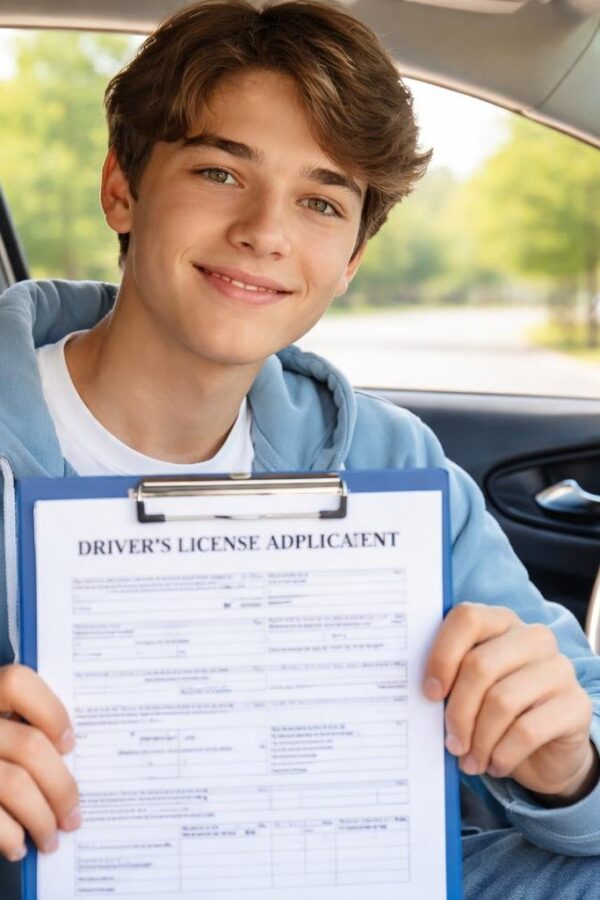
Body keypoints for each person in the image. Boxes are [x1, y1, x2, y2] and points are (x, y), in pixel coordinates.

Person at [0, 1, 599, 897]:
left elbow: (581, 754)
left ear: (352, 257)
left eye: (322, 201)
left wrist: (568, 766)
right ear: (122, 186)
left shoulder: (387, 459)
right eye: (219, 172)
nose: (267, 232)